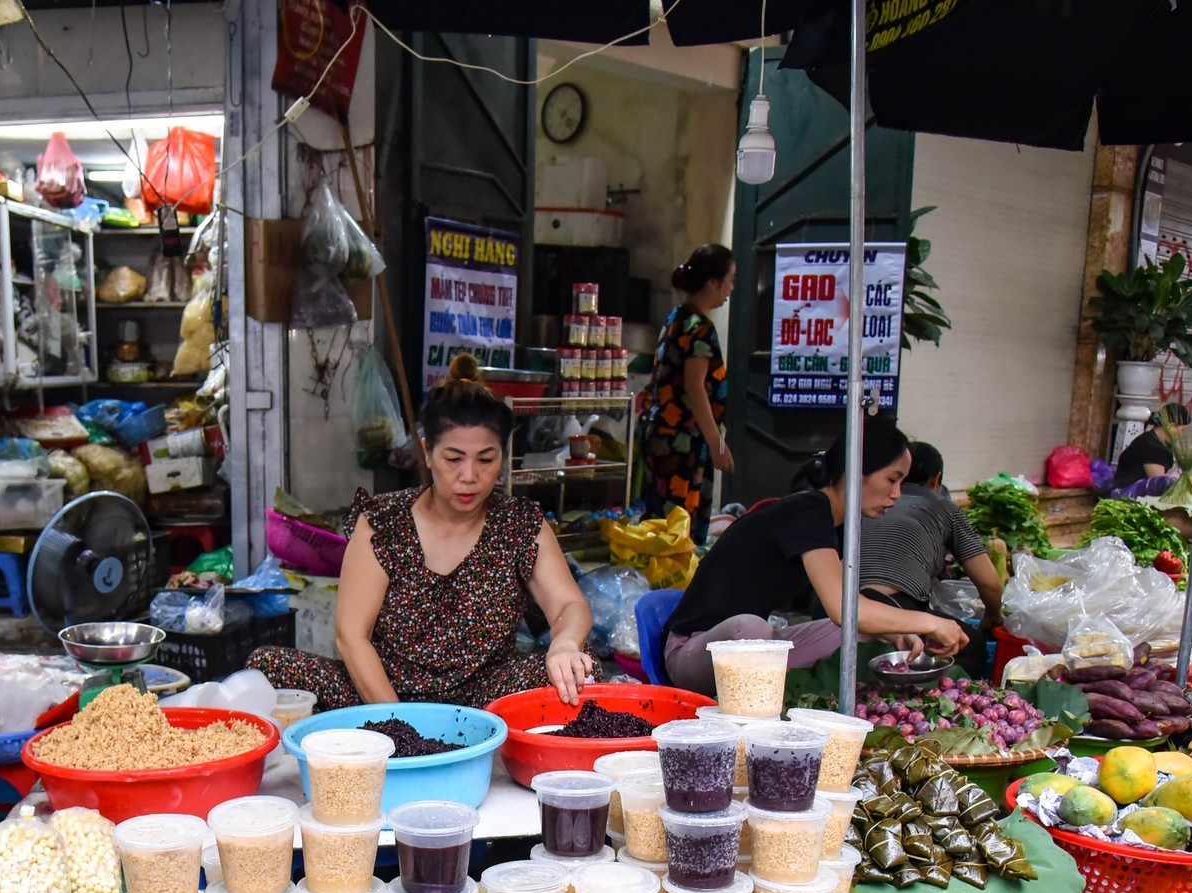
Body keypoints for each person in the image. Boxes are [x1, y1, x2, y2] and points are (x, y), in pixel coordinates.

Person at [249, 355, 595, 710]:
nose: (469, 476)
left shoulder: (519, 525)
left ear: (503, 457)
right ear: (428, 453)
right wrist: (404, 726)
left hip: (486, 701)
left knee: (580, 668)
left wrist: (565, 643)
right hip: (382, 694)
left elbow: (570, 605)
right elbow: (351, 637)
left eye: (486, 460)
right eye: (454, 458)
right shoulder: (383, 522)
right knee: (267, 668)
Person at [661, 416, 969, 694]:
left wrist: (899, 633)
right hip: (692, 653)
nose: (897, 494)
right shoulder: (807, 511)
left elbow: (850, 609)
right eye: (892, 479)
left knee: (856, 632)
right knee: (751, 630)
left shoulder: (834, 522)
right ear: (856, 470)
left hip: (751, 653)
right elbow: (840, 608)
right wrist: (929, 622)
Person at [639, 244, 736, 534]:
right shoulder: (699, 329)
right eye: (730, 279)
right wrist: (717, 443)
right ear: (713, 283)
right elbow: (695, 388)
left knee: (661, 526)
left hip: (662, 435)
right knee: (678, 532)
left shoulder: (676, 318)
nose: (731, 288)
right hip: (682, 446)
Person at [860, 441, 1003, 627]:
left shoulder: (864, 501)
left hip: (836, 605)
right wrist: (993, 617)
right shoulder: (946, 509)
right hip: (895, 606)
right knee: (971, 645)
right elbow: (989, 583)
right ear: (936, 479)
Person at [1115, 402, 1187, 484]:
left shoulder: (1163, 445)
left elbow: (1171, 472)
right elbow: (1158, 484)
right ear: (1171, 427)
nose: (1181, 435)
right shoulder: (1151, 446)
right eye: (1182, 430)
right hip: (1129, 494)